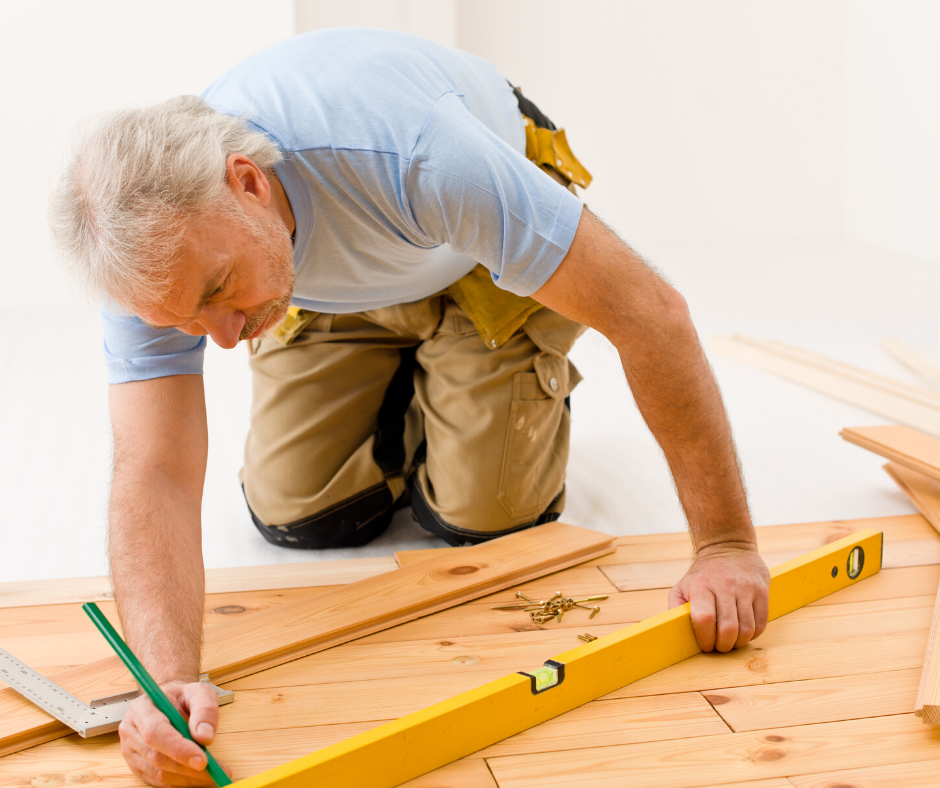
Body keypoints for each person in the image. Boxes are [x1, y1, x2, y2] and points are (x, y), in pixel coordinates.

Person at [49, 28, 769, 788]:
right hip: (331, 269)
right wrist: (166, 680)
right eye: (188, 321)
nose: (225, 341)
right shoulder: (151, 258)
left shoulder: (426, 157)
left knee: (484, 517)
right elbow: (154, 468)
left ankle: (461, 355)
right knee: (302, 514)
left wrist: (725, 546)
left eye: (218, 290)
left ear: (248, 183)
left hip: (468, 254)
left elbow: (651, 314)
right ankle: (407, 366)